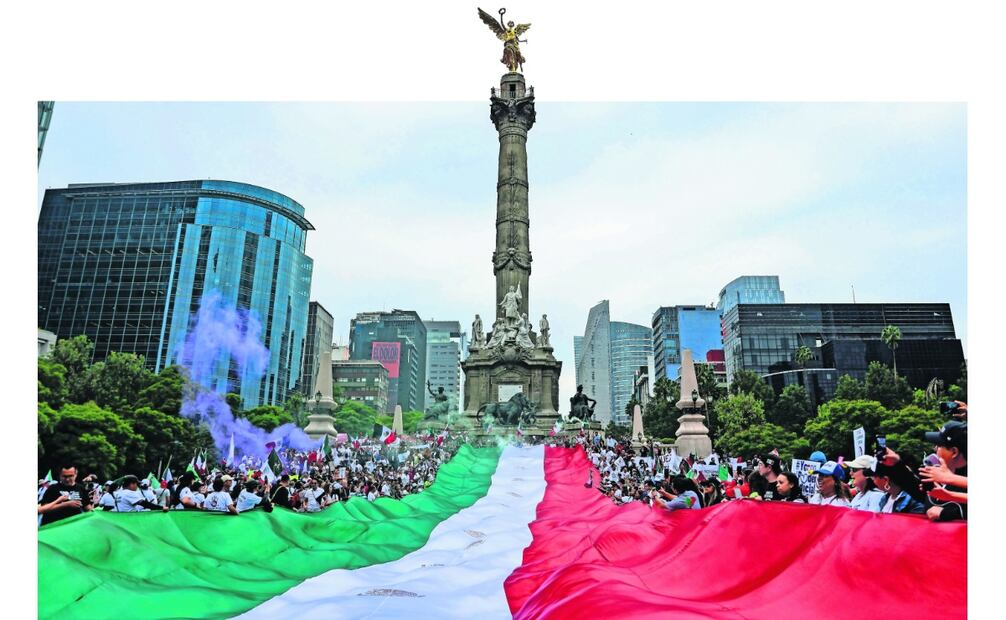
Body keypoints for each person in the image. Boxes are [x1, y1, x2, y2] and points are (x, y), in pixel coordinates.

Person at [920, 421, 967, 522]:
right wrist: (895, 463)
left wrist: (947, 513)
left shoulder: (952, 477)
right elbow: (916, 491)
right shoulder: (940, 474)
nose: (935, 449)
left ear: (954, 452)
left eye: (939, 445)